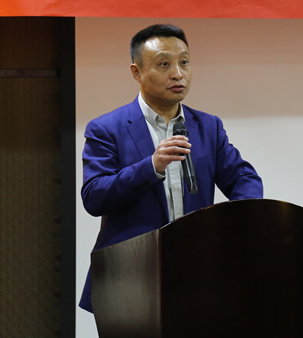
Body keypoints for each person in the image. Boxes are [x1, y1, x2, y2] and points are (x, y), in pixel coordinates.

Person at [79, 23, 264, 312]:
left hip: (197, 273)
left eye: (184, 62)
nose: (178, 73)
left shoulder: (208, 126)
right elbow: (94, 196)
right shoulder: (106, 128)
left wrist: (234, 224)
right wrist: (151, 167)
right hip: (128, 277)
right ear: (136, 72)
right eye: (164, 64)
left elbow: (243, 177)